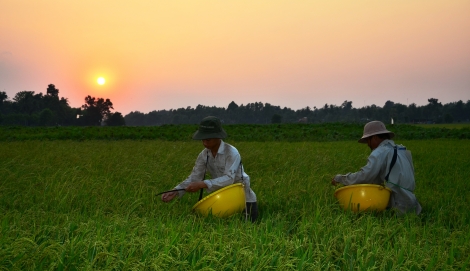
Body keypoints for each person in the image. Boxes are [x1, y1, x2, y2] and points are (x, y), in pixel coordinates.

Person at [161, 116, 259, 222]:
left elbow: (229, 179)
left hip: (242, 198)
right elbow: (194, 178)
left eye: (208, 139)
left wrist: (202, 184)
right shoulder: (203, 155)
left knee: (247, 227)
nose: (204, 143)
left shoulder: (231, 153)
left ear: (218, 137)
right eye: (203, 139)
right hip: (220, 199)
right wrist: (175, 191)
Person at [331, 121, 422, 215]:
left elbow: (365, 176)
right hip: (413, 205)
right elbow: (377, 179)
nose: (367, 144)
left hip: (397, 208)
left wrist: (340, 179)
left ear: (374, 137)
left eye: (367, 140)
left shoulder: (379, 152)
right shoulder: (401, 150)